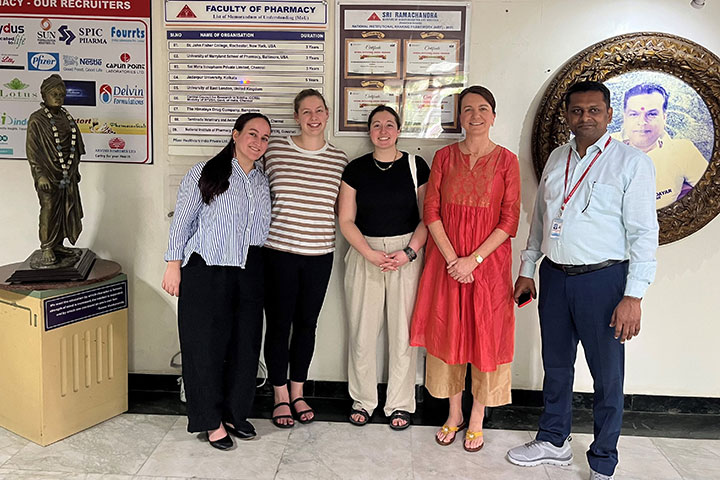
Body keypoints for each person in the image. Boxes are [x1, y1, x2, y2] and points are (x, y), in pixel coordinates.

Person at [507, 81, 658, 480]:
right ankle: (554, 440)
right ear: (568, 116)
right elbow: (540, 220)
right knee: (556, 366)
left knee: (607, 375)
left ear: (609, 115)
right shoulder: (558, 158)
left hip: (604, 283)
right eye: (577, 111)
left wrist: (634, 296)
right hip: (555, 278)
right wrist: (527, 270)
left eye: (594, 110)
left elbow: (644, 234)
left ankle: (603, 460)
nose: (585, 117)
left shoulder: (632, 163)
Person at [410, 85, 521, 452]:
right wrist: (452, 259)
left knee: (484, 338)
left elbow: (509, 220)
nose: (475, 115)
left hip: (487, 267)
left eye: (483, 108)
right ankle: (454, 413)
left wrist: (472, 260)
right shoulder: (443, 157)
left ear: (493, 115)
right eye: (468, 109)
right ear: (459, 117)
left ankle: (477, 417)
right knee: (448, 335)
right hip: (445, 263)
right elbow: (431, 212)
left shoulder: (507, 161)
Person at [161, 113, 272, 451]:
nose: (258, 142)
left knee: (245, 345)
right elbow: (183, 219)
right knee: (204, 347)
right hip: (207, 269)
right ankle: (210, 421)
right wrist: (172, 265)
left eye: (265, 138)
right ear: (235, 135)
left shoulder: (262, 181)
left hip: (250, 268)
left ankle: (236, 414)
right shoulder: (206, 172)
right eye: (252, 133)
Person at [338, 105, 430, 430]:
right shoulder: (356, 169)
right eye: (376, 125)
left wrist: (409, 252)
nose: (383, 130)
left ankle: (400, 404)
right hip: (365, 253)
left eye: (389, 124)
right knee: (362, 332)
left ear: (399, 129)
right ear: (369, 132)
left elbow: (427, 218)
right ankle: (363, 400)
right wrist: (369, 253)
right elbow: (346, 220)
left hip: (406, 255)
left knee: (403, 333)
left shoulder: (416, 166)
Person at [262, 89, 348, 428]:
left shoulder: (339, 159)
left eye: (319, 110)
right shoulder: (275, 151)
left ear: (327, 115)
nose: (313, 117)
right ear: (296, 116)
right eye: (306, 111)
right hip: (278, 253)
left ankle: (298, 391)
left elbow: (343, 212)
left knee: (307, 326)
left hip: (319, 255)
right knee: (279, 325)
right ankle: (279, 394)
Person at [612, 83, 708, 208]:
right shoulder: (603, 148)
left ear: (664, 117)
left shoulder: (684, 151)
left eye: (651, 114)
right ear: (624, 117)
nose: (642, 122)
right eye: (634, 114)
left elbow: (712, 192)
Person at [26, 74, 86, 266]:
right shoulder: (37, 120)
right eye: (54, 93)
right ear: (44, 95)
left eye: (62, 94)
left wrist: (74, 168)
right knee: (49, 208)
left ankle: (58, 244)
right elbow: (32, 151)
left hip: (66, 174)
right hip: (48, 175)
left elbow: (75, 146)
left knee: (65, 208)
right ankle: (47, 246)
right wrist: (40, 174)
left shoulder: (66, 117)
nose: (58, 97)